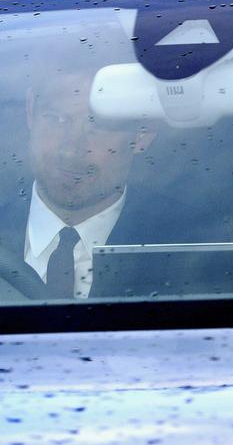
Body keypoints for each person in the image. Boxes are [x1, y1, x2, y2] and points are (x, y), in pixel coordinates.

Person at [0, 71, 198, 300]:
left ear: (143, 133)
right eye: (56, 118)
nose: (70, 150)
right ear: (31, 110)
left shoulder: (193, 248)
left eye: (99, 126)